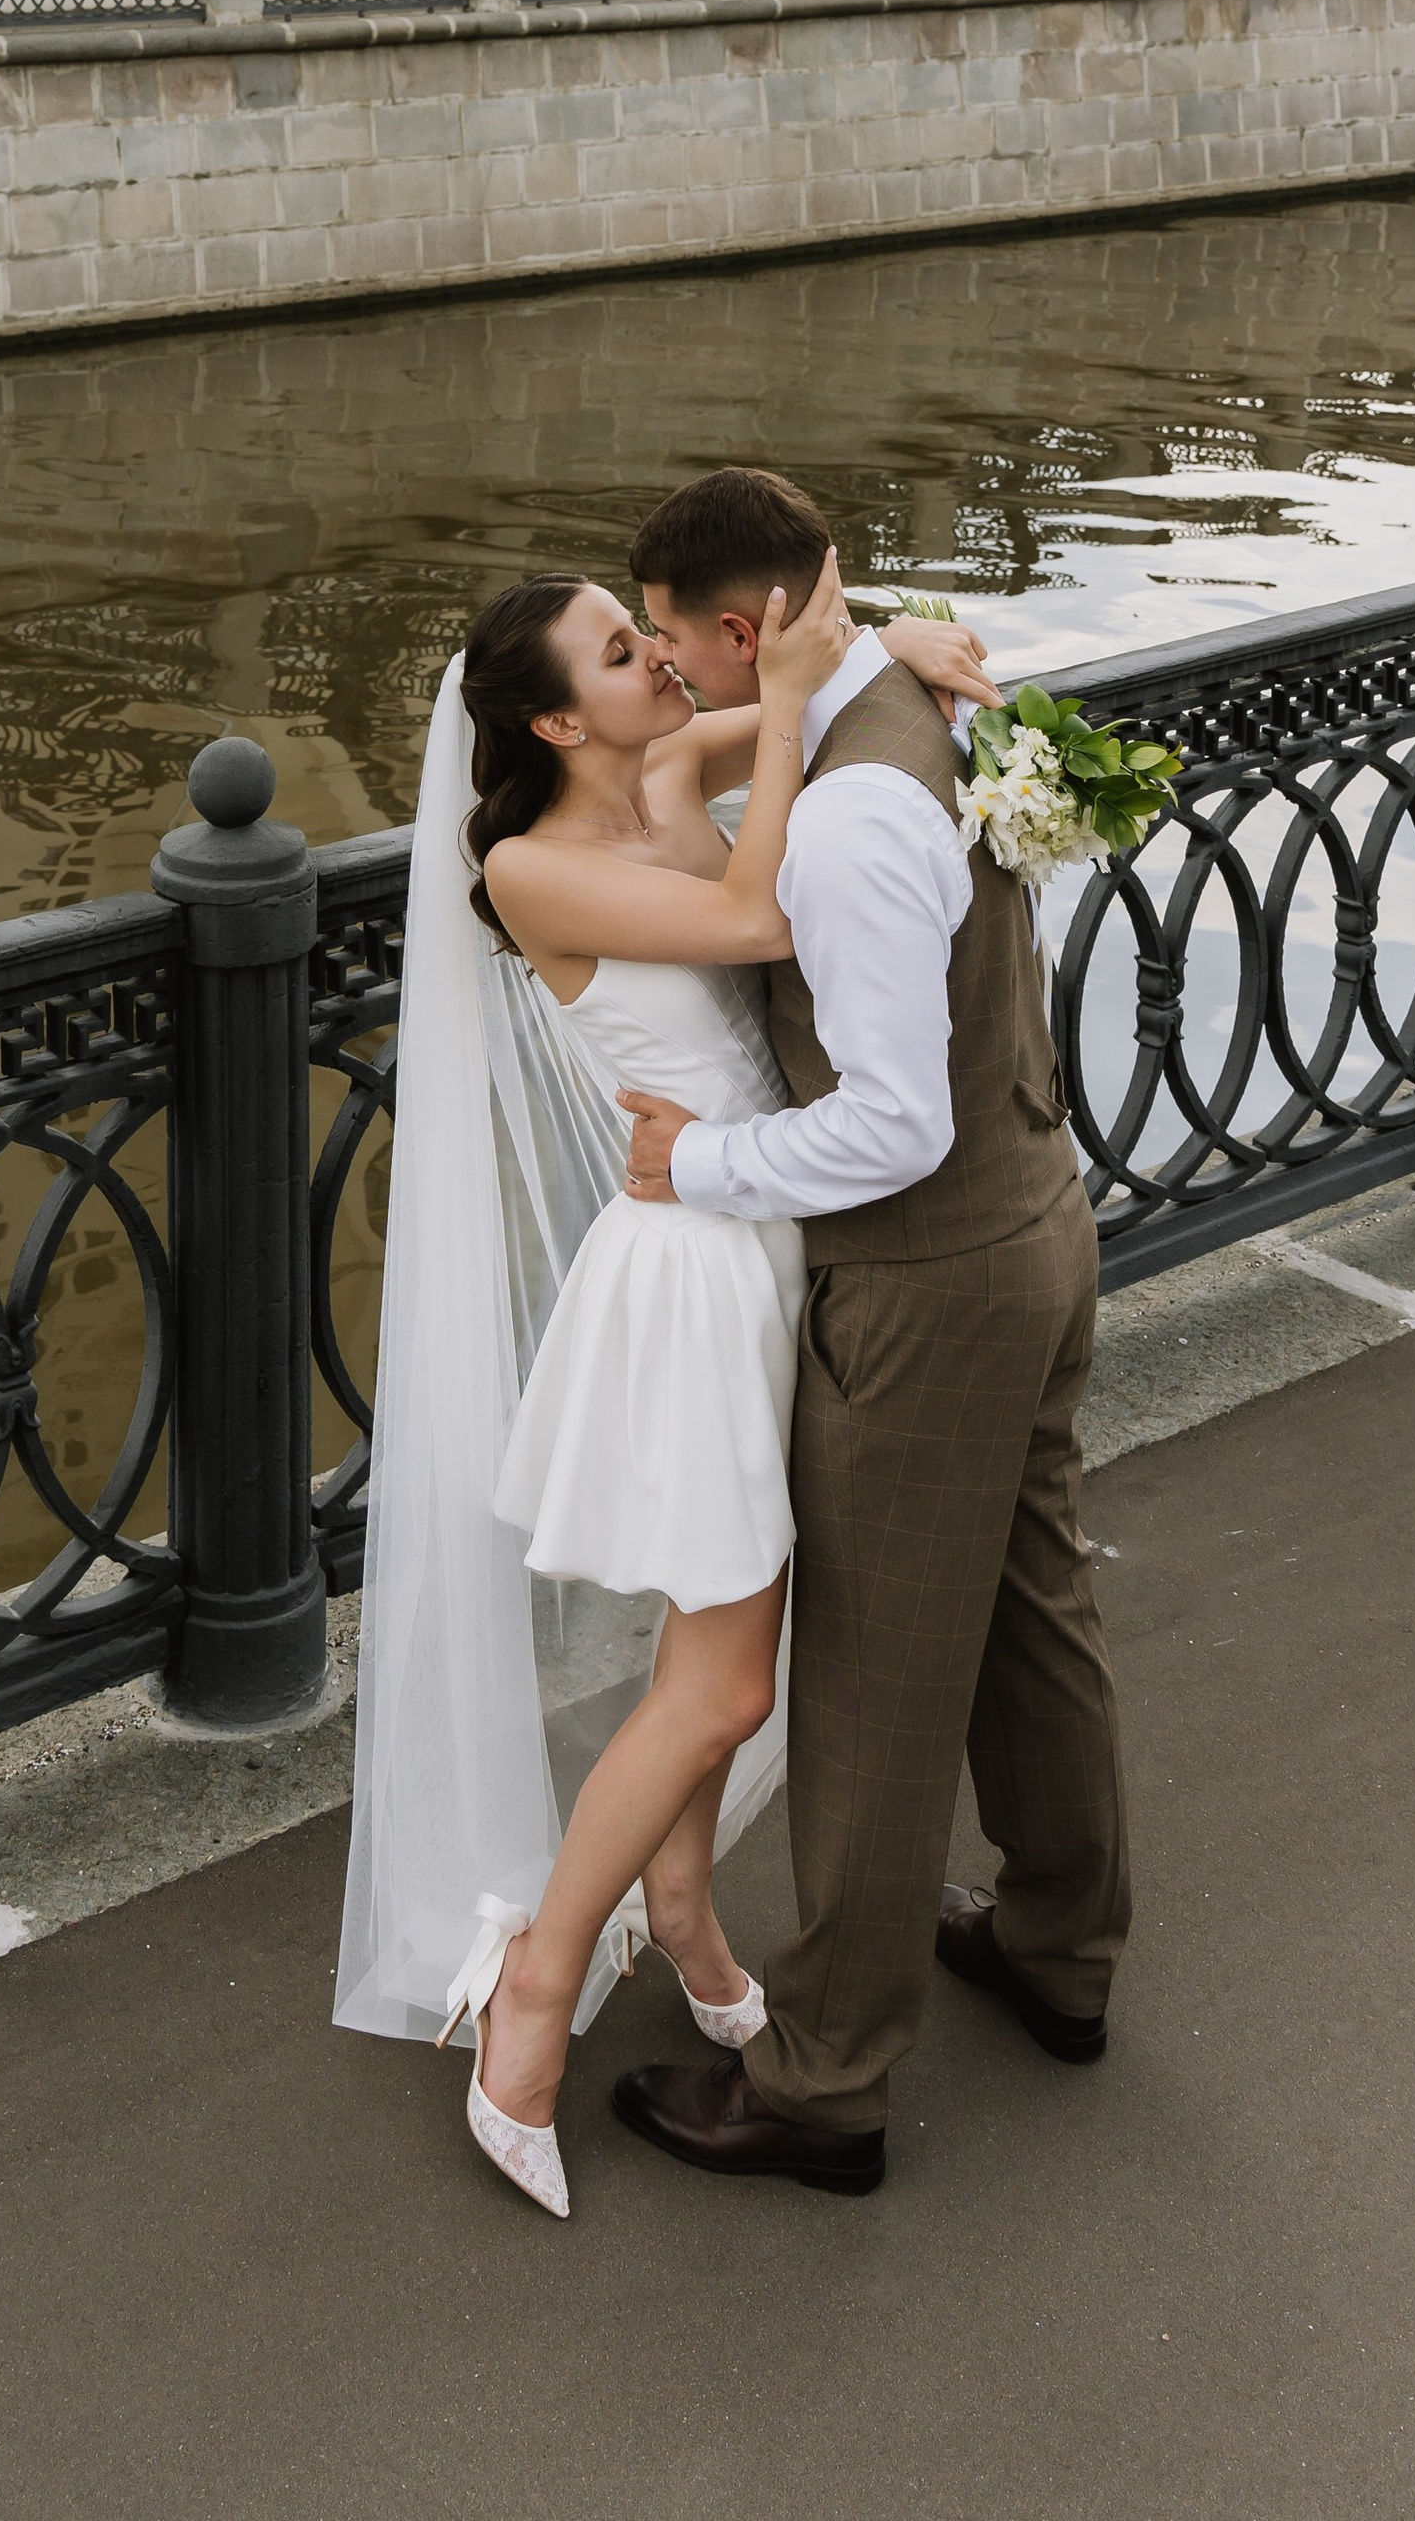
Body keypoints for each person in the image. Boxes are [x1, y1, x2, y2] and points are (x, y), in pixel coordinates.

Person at [332, 553, 1001, 2217]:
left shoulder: (657, 766)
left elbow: (797, 711)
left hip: (753, 1233)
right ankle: (537, 1997)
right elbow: (754, 921)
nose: (659, 666)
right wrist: (772, 714)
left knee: (716, 1654)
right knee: (720, 1685)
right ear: (555, 717)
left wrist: (889, 642)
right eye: (622, 655)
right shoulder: (529, 867)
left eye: (649, 639)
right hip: (695, 1273)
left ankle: (690, 1924)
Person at [611, 465, 1134, 2195]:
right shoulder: (917, 690)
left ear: (748, 629)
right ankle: (1059, 1955)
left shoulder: (837, 817)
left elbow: (888, 1124)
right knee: (1029, 1609)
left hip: (925, 1282)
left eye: (678, 656)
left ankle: (823, 2085)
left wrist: (701, 1168)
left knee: (874, 1685)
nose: (670, 684)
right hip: (1036, 1215)